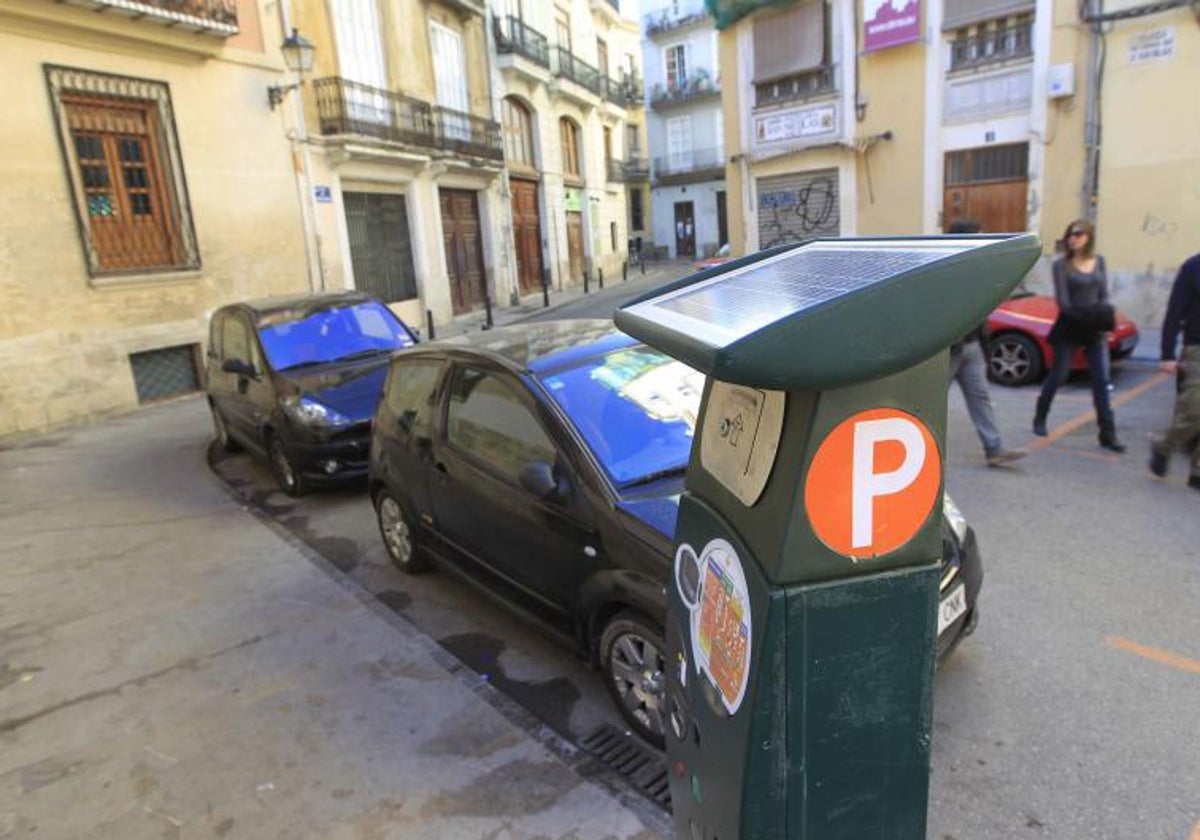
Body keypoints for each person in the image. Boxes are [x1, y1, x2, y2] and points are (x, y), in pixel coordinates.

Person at [1031, 218, 1125, 452]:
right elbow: (1064, 304)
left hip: (1094, 330)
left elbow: (1103, 295)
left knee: (1101, 380)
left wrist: (1102, 317)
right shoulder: (1061, 265)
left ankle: (1108, 434)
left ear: (1088, 237)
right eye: (1070, 235)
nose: (1073, 239)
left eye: (1078, 234)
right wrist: (1095, 315)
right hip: (1070, 327)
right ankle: (1040, 417)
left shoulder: (1099, 261)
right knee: (1059, 375)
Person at [946, 219, 1026, 466]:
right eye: (977, 236)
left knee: (981, 397)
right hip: (947, 351)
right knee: (931, 405)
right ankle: (924, 457)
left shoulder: (978, 267)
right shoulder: (946, 270)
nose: (982, 241)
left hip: (973, 346)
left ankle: (994, 449)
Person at [1148, 251, 1200, 490]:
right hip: (1197, 349)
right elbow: (1175, 311)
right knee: (1193, 412)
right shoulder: (1193, 266)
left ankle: (1197, 471)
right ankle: (1164, 445)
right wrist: (1167, 353)